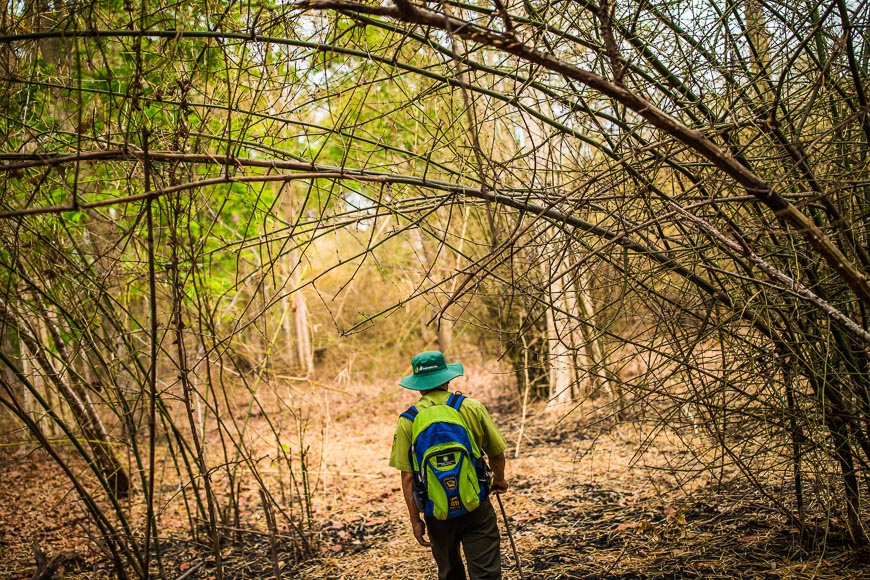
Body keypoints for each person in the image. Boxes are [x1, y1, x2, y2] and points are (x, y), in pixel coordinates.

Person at [389, 350, 509, 580]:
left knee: (449, 573)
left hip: (437, 512)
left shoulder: (408, 420)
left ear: (418, 384)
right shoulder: (470, 407)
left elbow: (407, 478)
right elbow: (496, 453)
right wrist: (499, 479)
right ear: (447, 379)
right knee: (486, 574)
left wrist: (416, 520)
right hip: (476, 505)